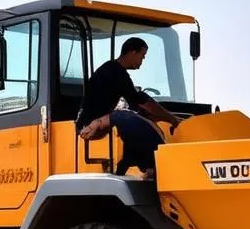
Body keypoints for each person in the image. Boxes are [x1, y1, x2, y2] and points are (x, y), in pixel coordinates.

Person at [76, 36, 180, 179]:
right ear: (132, 53)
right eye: (142, 56)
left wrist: (155, 117)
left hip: (98, 121)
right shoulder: (115, 71)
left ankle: (131, 165)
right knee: (126, 117)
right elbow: (140, 101)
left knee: (136, 120)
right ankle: (153, 165)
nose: (142, 61)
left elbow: (138, 105)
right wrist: (172, 119)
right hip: (89, 126)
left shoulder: (113, 70)